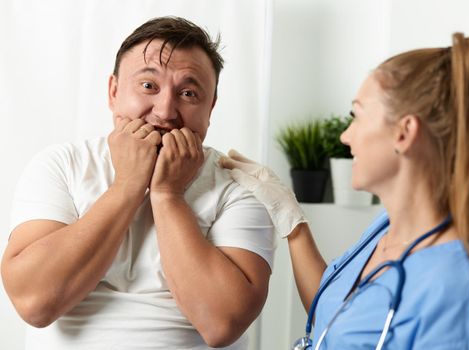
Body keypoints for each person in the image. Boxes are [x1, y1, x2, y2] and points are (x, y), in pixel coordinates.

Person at [221, 33, 469, 349]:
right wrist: (291, 219)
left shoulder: (458, 294)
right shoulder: (385, 228)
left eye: (358, 116)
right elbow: (338, 322)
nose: (345, 137)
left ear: (404, 133)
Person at [1, 16, 275, 350]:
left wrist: (167, 195)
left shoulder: (239, 185)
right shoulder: (61, 165)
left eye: (188, 93)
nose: (164, 111)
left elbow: (222, 325)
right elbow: (34, 301)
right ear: (114, 92)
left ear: (210, 107)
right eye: (148, 86)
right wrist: (127, 186)